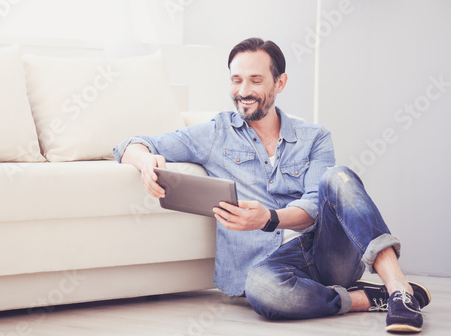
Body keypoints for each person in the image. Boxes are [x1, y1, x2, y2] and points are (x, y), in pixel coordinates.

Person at [113, 38, 430, 333]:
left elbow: (313, 207)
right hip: (266, 271)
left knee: (338, 176)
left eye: (255, 80)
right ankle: (367, 299)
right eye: (236, 80)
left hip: (325, 254)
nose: (243, 90)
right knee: (263, 292)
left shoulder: (314, 137)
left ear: (280, 83)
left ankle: (400, 290)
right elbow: (129, 144)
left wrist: (269, 218)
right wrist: (144, 163)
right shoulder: (215, 133)